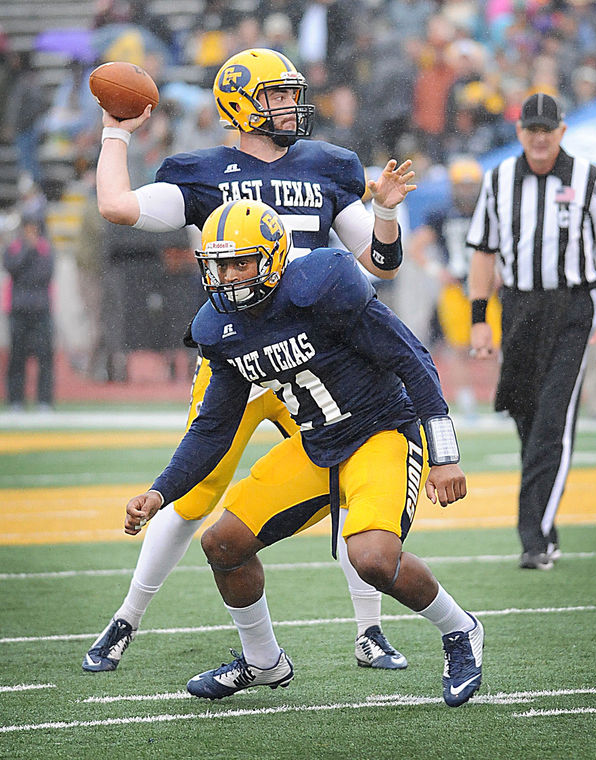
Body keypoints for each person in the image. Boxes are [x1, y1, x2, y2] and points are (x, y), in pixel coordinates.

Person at [83, 48, 415, 673]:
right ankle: (125, 619)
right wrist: (115, 133)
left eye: (292, 93)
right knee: (195, 491)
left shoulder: (328, 165)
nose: (291, 105)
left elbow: (379, 262)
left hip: (319, 361)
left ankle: (370, 631)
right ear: (239, 104)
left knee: (351, 472)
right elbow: (117, 207)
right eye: (277, 95)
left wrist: (387, 212)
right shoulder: (201, 171)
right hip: (239, 357)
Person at [122, 199, 484, 708]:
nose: (227, 277)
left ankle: (460, 629)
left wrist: (444, 454)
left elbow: (412, 358)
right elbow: (213, 428)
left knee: (372, 559)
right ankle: (263, 661)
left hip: (380, 433)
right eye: (218, 265)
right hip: (315, 445)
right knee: (222, 543)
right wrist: (161, 492)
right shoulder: (219, 327)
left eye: (240, 263)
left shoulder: (323, 286)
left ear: (272, 257)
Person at [467, 93, 596, 571]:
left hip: (572, 308)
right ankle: (545, 524)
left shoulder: (588, 178)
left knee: (551, 422)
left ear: (562, 131)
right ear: (520, 132)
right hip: (519, 309)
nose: (540, 138)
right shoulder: (499, 179)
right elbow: (483, 251)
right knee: (525, 414)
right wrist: (479, 320)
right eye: (532, 130)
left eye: (548, 130)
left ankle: (535, 536)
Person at [3, 210, 55, 410]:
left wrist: (32, 252)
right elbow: (12, 268)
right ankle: (15, 400)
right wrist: (27, 250)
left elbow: (44, 274)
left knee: (45, 356)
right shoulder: (14, 248)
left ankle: (44, 401)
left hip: (41, 309)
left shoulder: (46, 249)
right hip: (18, 309)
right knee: (17, 356)